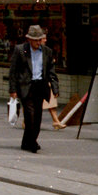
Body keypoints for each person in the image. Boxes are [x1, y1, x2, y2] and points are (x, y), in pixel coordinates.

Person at [8, 24, 59, 153]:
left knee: (37, 117)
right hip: (26, 87)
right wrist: (13, 90)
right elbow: (13, 71)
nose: (37, 42)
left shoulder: (47, 51)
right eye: (35, 40)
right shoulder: (20, 50)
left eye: (39, 39)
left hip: (40, 86)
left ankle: (27, 141)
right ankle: (31, 143)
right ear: (29, 39)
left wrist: (55, 88)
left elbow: (51, 71)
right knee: (30, 116)